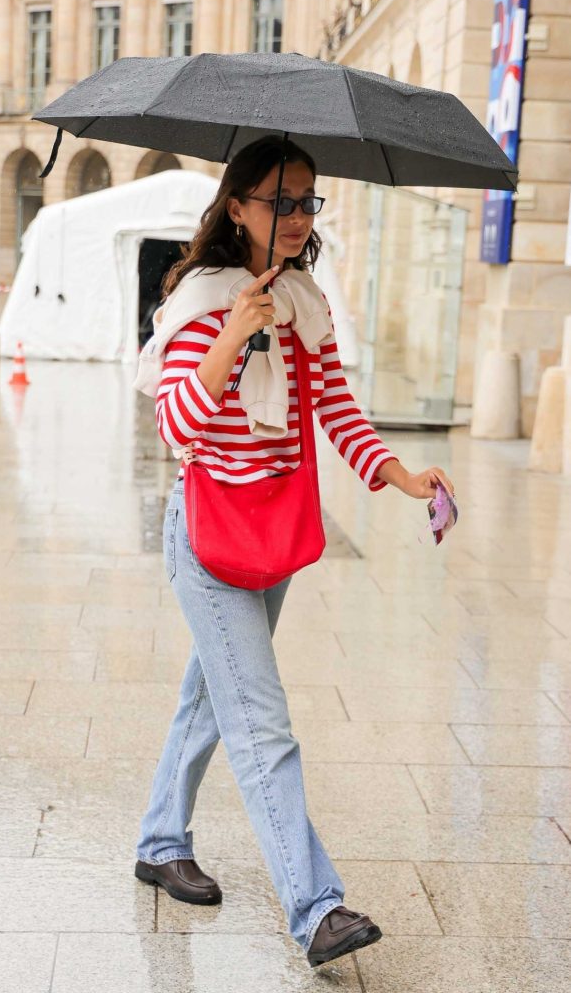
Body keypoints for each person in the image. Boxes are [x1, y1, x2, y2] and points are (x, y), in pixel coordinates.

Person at [134, 135, 455, 968]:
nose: (295, 216)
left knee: (213, 698)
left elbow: (336, 412)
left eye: (307, 201)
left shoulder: (307, 301)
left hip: (273, 526)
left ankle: (160, 839)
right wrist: (233, 333)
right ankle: (316, 909)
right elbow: (177, 428)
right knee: (260, 721)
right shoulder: (202, 297)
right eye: (279, 199)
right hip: (207, 533)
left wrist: (400, 475)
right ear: (235, 204)